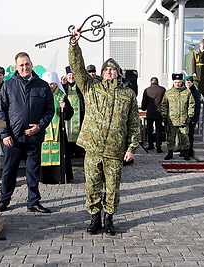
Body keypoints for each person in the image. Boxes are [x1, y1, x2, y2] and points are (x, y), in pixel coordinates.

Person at [69, 28, 141, 236]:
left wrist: (131, 147)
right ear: (101, 73)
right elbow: (78, 68)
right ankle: (94, 218)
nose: (109, 72)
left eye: (113, 69)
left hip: (114, 150)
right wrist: (74, 45)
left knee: (112, 188)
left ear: (118, 72)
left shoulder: (128, 94)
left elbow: (134, 124)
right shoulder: (91, 88)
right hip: (93, 149)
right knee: (92, 185)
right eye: (106, 69)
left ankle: (109, 218)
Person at [0, 52, 54, 213]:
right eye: (21, 65)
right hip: (12, 138)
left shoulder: (42, 85)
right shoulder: (8, 85)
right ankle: (4, 199)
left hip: (34, 136)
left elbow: (50, 110)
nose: (24, 67)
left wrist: (40, 126)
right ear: (16, 67)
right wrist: (5, 134)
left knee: (33, 172)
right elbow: (1, 111)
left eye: (27, 64)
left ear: (31, 64)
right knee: (9, 171)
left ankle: (33, 202)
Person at [40, 72, 74, 184]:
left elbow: (69, 114)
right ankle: (45, 177)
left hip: (58, 130)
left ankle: (59, 176)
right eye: (49, 84)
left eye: (53, 84)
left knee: (60, 152)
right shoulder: (40, 95)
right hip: (43, 129)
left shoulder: (62, 96)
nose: (51, 86)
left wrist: (65, 108)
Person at [161, 73, 195, 161]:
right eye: (176, 82)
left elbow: (191, 104)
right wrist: (164, 116)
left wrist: (190, 115)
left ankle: (186, 152)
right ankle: (170, 153)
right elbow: (164, 105)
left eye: (179, 82)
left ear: (182, 82)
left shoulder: (187, 92)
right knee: (171, 137)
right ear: (173, 82)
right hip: (172, 120)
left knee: (184, 137)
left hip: (184, 120)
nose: (177, 84)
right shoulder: (168, 93)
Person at [61, 66, 85, 158]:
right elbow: (61, 95)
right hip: (68, 117)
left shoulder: (79, 87)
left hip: (79, 115)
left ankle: (79, 150)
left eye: (73, 75)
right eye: (69, 75)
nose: (71, 77)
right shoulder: (64, 86)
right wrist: (63, 85)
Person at [141, 77, 166, 153]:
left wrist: (143, 108)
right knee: (159, 130)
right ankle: (158, 146)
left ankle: (150, 144)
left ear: (151, 82)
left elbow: (144, 101)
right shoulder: (162, 90)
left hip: (150, 112)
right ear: (157, 82)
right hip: (159, 112)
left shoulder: (147, 90)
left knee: (149, 129)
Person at [183, 75, 202, 157]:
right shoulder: (183, 91)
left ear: (192, 83)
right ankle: (183, 150)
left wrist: (195, 118)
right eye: (186, 83)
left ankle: (189, 151)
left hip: (192, 117)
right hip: (183, 116)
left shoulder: (196, 92)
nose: (188, 84)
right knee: (183, 134)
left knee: (190, 135)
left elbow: (197, 106)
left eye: (189, 83)